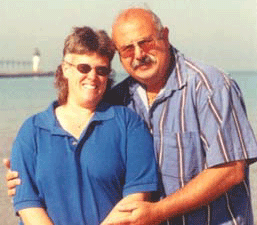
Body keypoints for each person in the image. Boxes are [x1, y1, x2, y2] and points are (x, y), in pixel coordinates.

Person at [4, 7, 257, 225]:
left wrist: (157, 211)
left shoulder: (209, 86)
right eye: (126, 49)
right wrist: (21, 177)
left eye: (145, 42)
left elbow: (231, 169)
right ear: (65, 70)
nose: (138, 54)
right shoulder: (120, 98)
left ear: (165, 36)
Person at [7, 26, 159, 225]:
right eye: (84, 68)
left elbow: (135, 199)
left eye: (101, 70)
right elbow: (28, 206)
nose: (92, 77)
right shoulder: (32, 130)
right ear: (66, 69)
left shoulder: (129, 124)